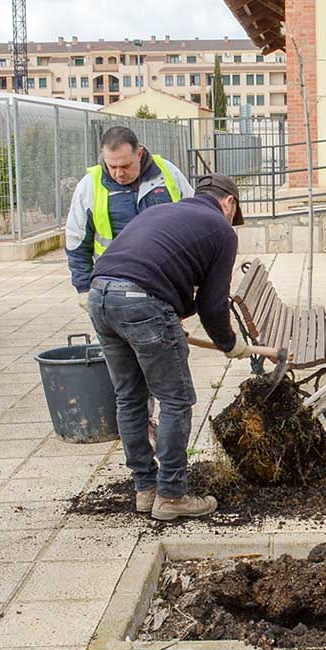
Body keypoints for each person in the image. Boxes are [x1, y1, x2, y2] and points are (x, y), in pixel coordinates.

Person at [86, 173, 250, 520]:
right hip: (141, 301)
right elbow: (212, 304)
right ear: (229, 203)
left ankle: (145, 490)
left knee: (130, 398)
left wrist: (166, 312)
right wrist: (229, 343)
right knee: (176, 400)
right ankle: (172, 495)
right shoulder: (221, 230)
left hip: (101, 295)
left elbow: (166, 276)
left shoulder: (162, 213)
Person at [65, 125, 192, 307]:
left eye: (125, 165)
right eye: (112, 166)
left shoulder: (167, 174)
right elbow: (76, 242)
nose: (119, 173)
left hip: (166, 282)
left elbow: (194, 221)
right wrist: (84, 289)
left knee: (166, 335)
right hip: (115, 286)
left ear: (139, 154)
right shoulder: (89, 186)